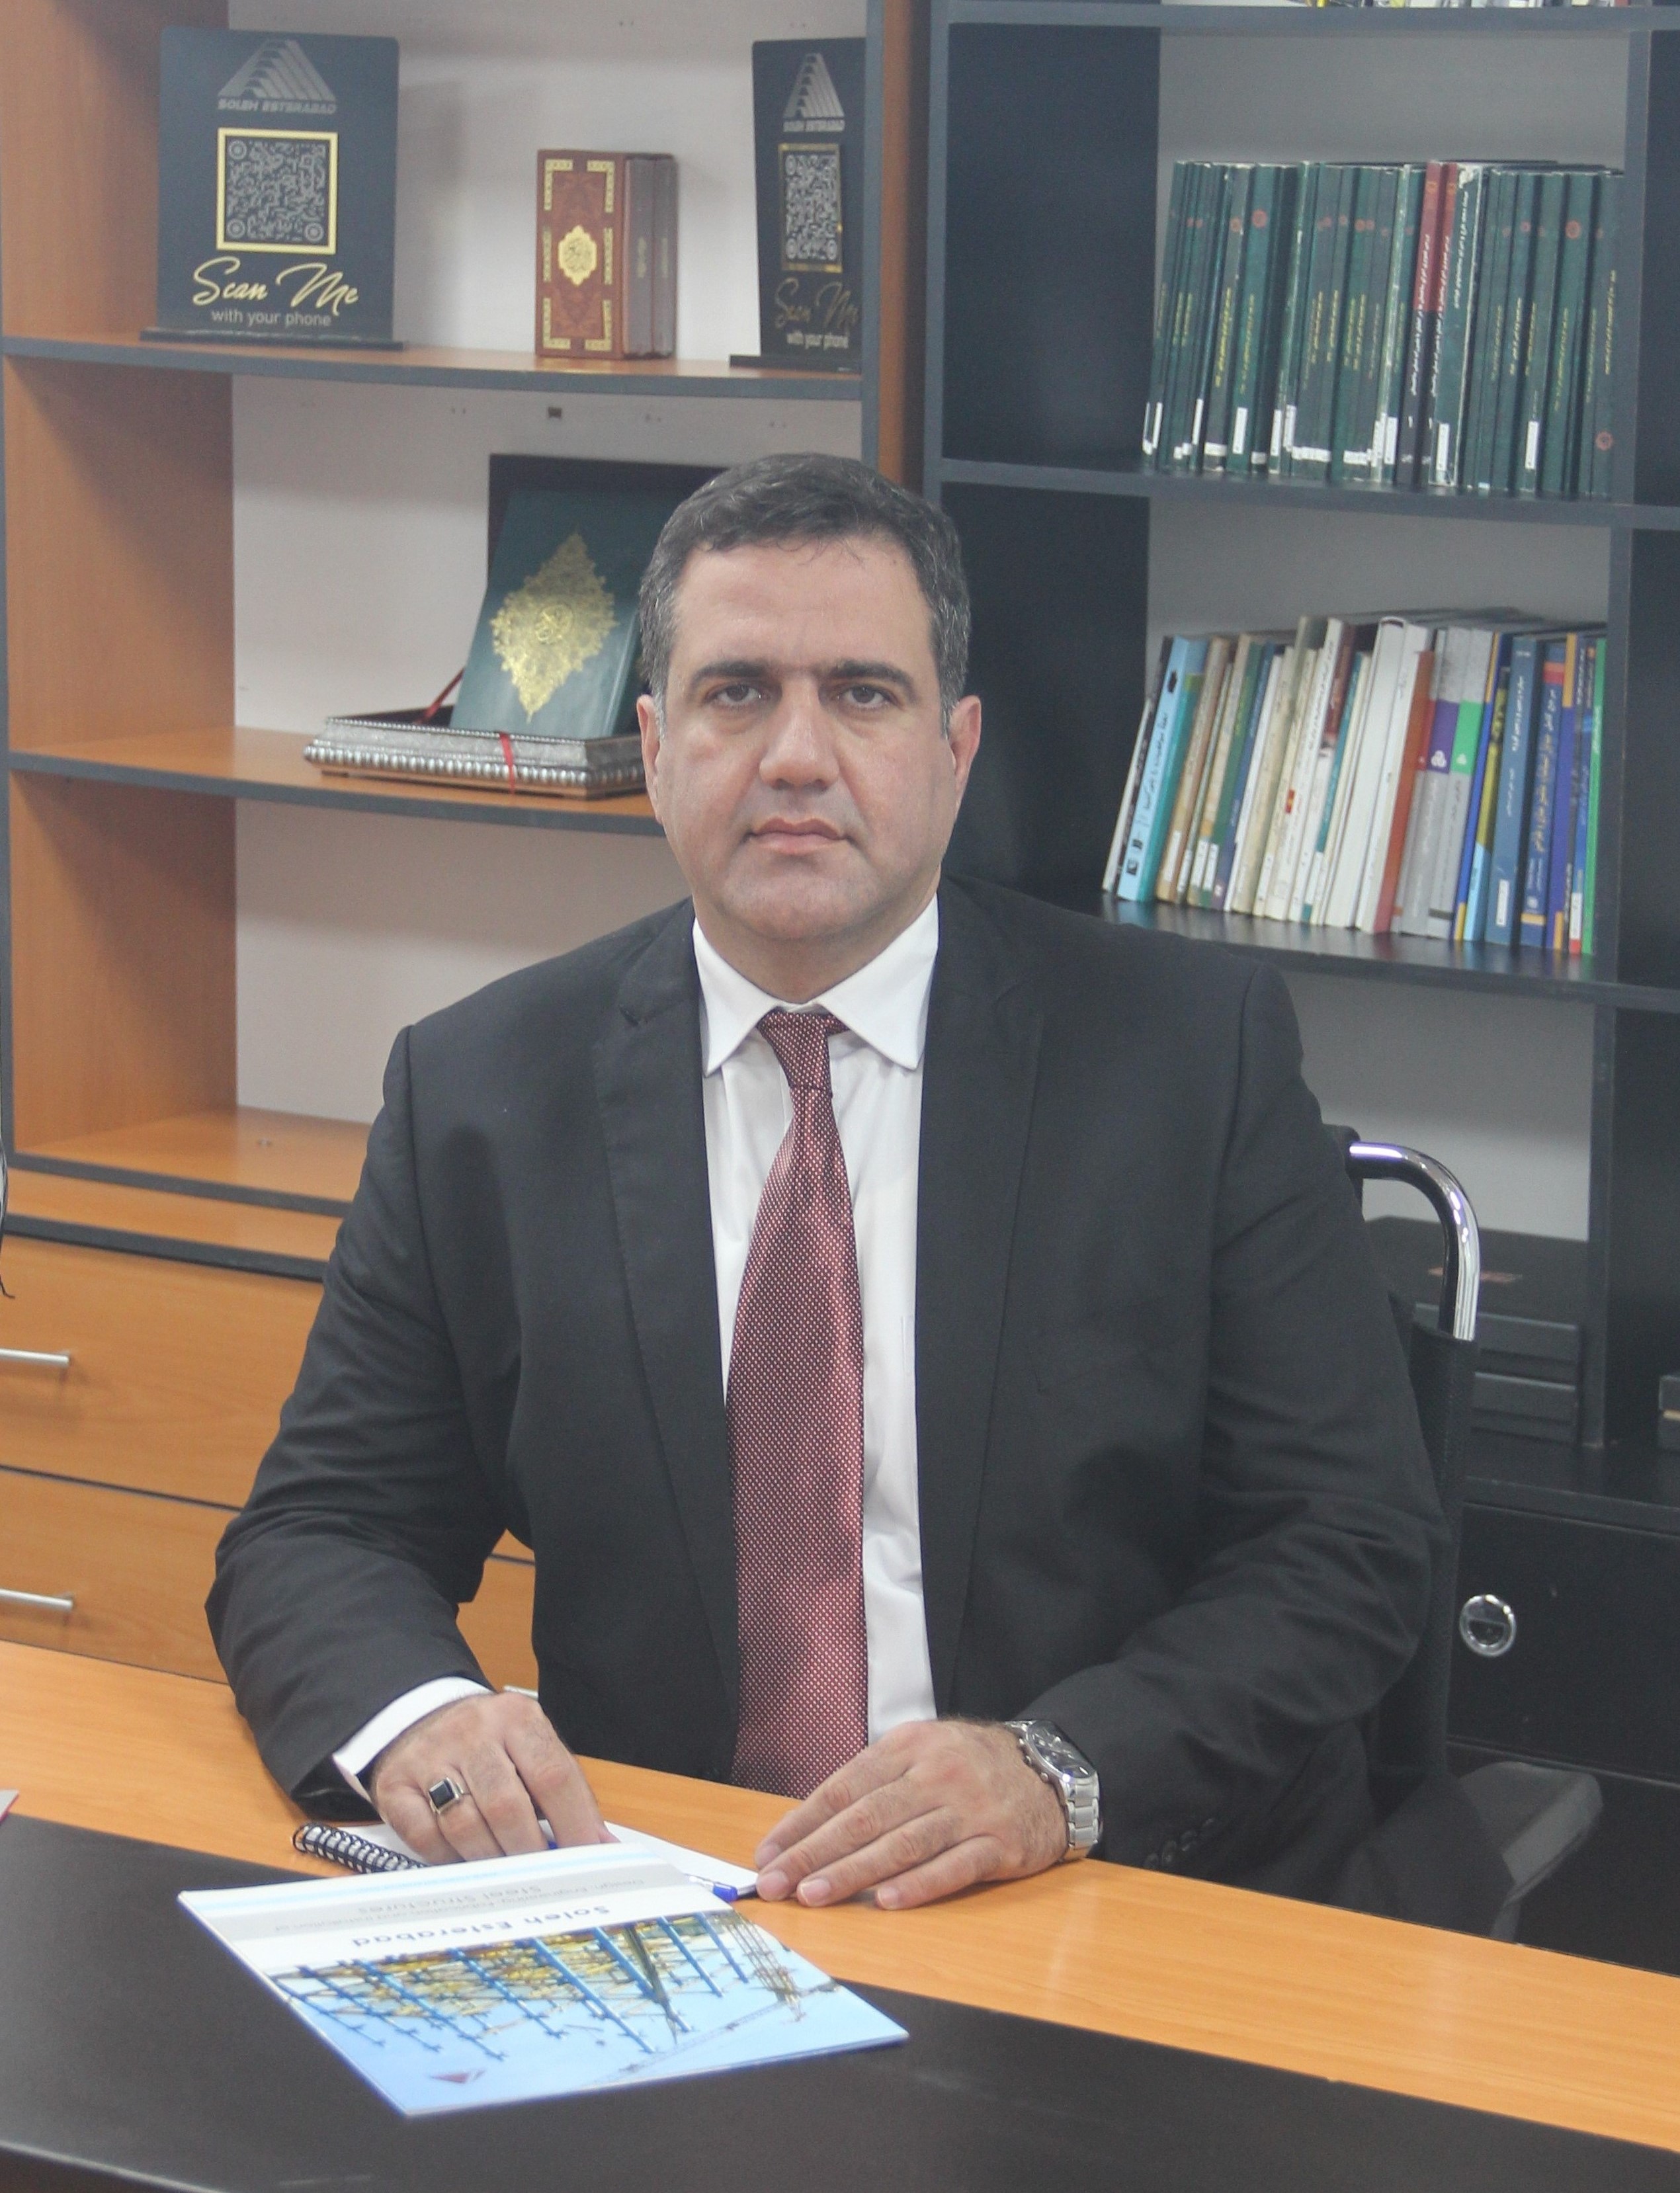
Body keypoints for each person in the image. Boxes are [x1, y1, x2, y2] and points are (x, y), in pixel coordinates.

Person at [210, 452, 1444, 1916]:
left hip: (1102, 1893)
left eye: (863, 694)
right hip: (682, 1894)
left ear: (956, 749)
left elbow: (1347, 1542)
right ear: (654, 745)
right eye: (737, 693)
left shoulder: (1187, 1054)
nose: (796, 756)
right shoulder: (479, 1091)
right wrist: (418, 1714)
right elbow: (321, 1530)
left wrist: (1056, 1771)